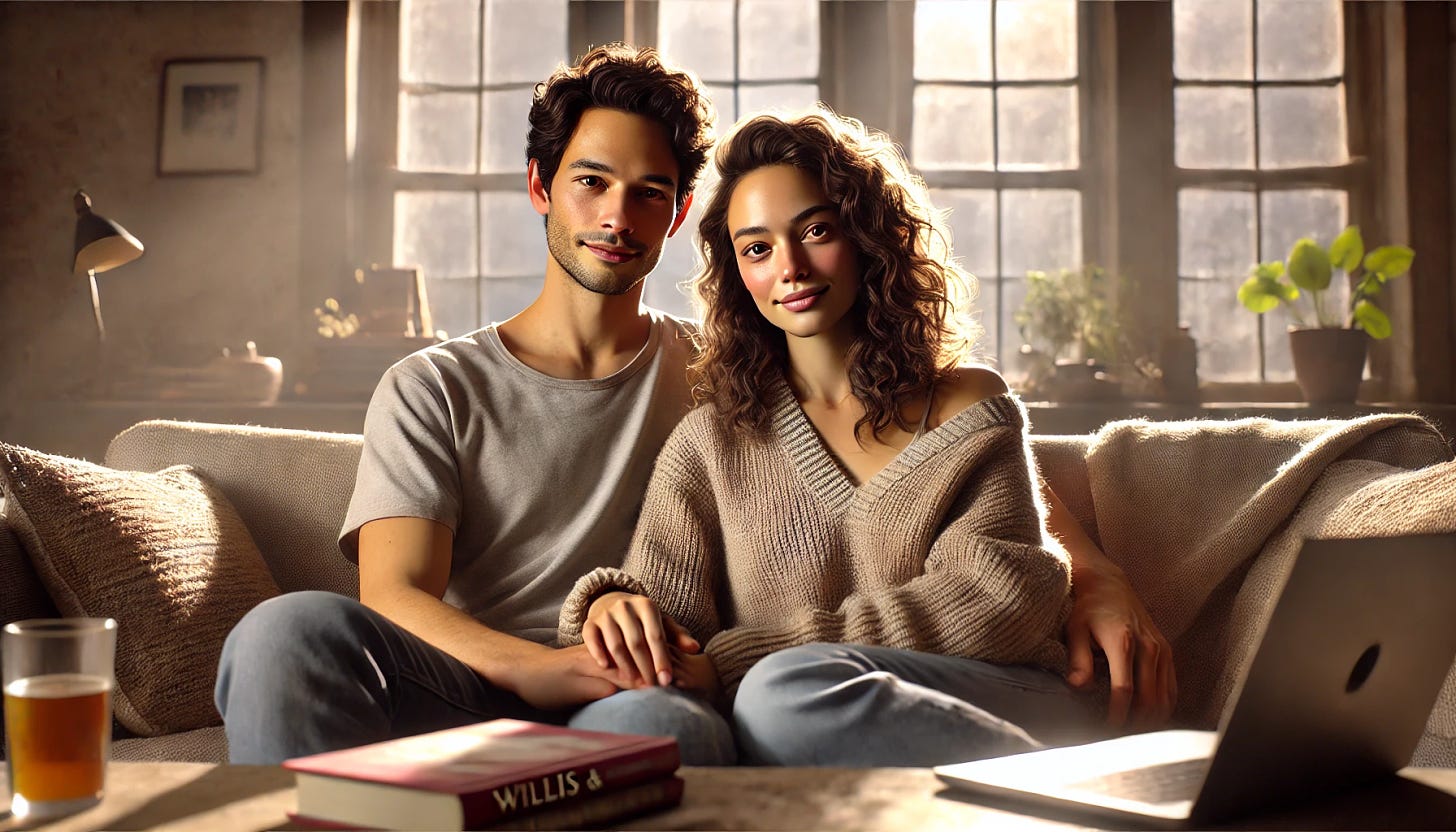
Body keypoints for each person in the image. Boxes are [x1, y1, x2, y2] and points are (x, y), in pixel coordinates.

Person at [216, 43, 1171, 766]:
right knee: (283, 630)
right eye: (590, 183)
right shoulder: (439, 387)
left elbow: (965, 466)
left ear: (676, 217)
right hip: (480, 682)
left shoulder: (729, 374)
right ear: (541, 190)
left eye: (649, 194)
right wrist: (571, 641)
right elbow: (395, 595)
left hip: (646, 693)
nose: (616, 217)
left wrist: (1099, 576)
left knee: (662, 720)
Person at [557, 106, 1169, 767]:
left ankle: (1066, 802)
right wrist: (618, 606)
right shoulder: (711, 441)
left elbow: (1004, 602)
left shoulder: (966, 402)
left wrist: (748, 659)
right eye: (757, 248)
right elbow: (671, 631)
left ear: (867, 235)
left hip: (1002, 692)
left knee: (778, 693)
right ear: (738, 274)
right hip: (807, 722)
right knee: (645, 717)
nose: (788, 266)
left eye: (815, 230)